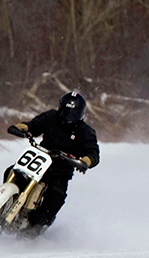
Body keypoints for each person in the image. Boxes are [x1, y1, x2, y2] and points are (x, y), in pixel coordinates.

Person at [7, 91, 99, 236]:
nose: (67, 115)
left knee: (56, 197)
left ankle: (33, 229)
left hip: (60, 171)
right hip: (38, 162)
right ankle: (6, 203)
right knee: (11, 171)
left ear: (80, 114)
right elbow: (34, 125)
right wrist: (23, 127)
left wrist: (85, 162)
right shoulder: (51, 117)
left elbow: (93, 153)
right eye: (64, 110)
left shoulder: (85, 131)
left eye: (72, 112)